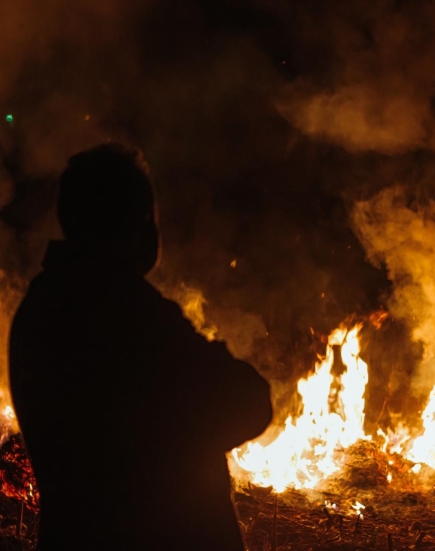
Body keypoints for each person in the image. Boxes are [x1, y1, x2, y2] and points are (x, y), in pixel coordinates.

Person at [9, 143, 272, 550]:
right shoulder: (131, 314)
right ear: (139, 222)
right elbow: (248, 402)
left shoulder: (39, 309)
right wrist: (214, 353)